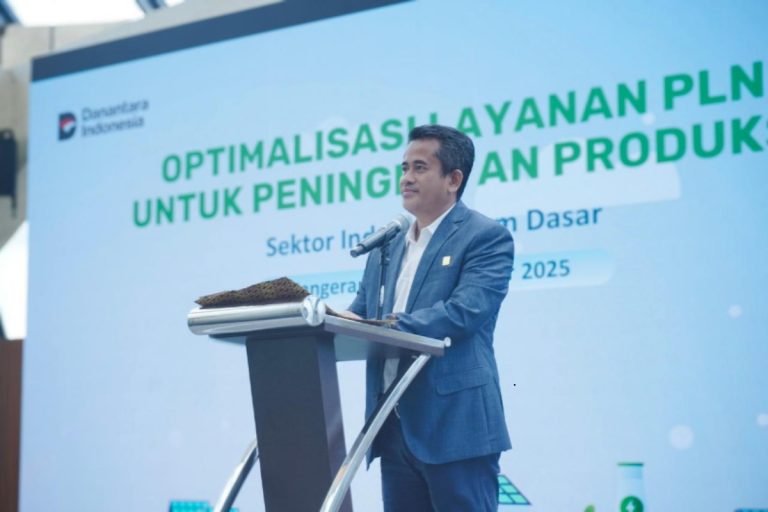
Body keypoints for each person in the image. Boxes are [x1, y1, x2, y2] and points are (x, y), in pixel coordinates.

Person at [344, 125, 515, 511]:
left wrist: (388, 326)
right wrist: (317, 317)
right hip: (392, 425)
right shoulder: (386, 246)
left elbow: (464, 312)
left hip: (456, 426)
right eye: (404, 168)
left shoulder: (485, 236)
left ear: (453, 179)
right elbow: (360, 313)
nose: (406, 178)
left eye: (419, 168)